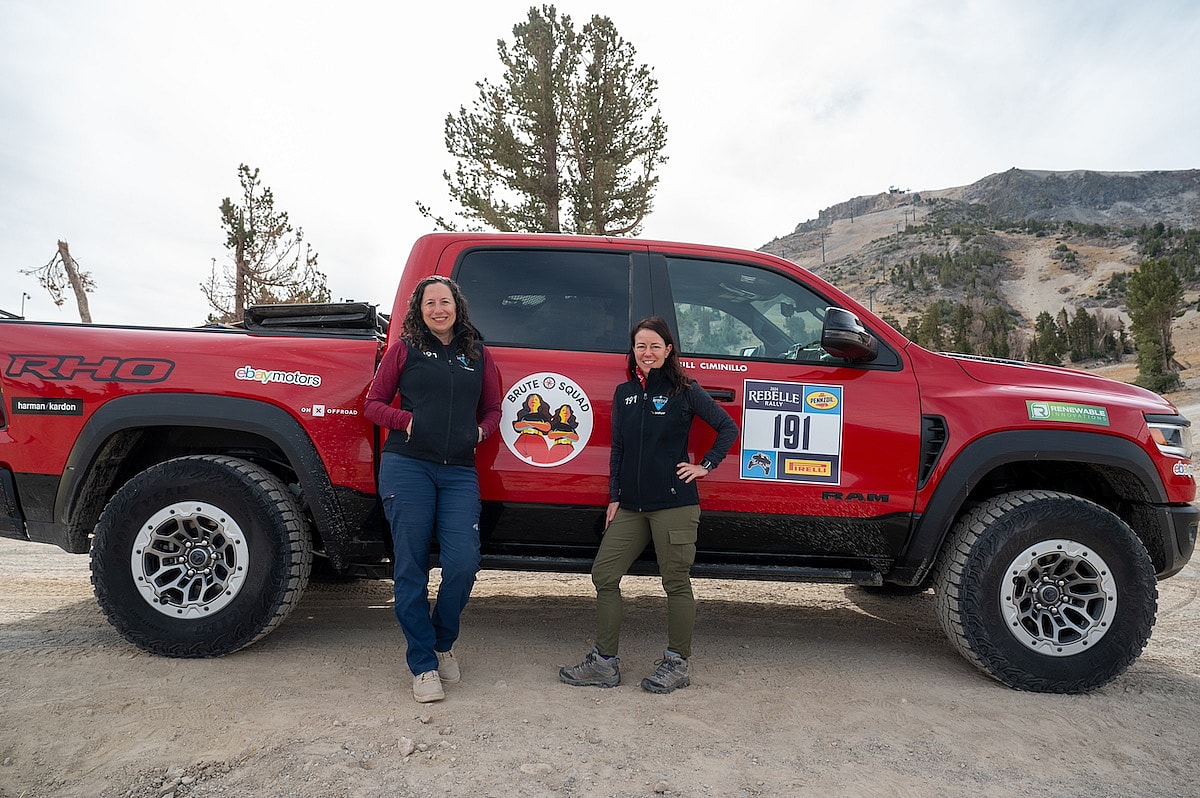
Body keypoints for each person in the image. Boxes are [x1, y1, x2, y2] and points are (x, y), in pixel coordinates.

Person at [559, 316, 737, 694]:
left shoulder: (685, 390)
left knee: (675, 581)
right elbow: (620, 451)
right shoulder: (624, 393)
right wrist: (615, 497)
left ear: (669, 349)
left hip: (674, 505)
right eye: (641, 346)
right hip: (631, 507)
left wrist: (704, 466)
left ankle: (677, 663)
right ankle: (604, 664)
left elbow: (727, 428)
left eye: (655, 345)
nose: (648, 352)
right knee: (604, 575)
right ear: (633, 351)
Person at [364, 275, 501, 703]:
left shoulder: (477, 354)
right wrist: (408, 422)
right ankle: (423, 664)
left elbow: (494, 407)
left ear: (457, 306)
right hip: (407, 466)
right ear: (419, 310)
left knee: (463, 563)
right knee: (411, 567)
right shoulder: (403, 349)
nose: (438, 309)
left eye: (445, 301)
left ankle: (443, 643)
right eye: (429, 303)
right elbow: (373, 403)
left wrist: (480, 433)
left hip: (459, 470)